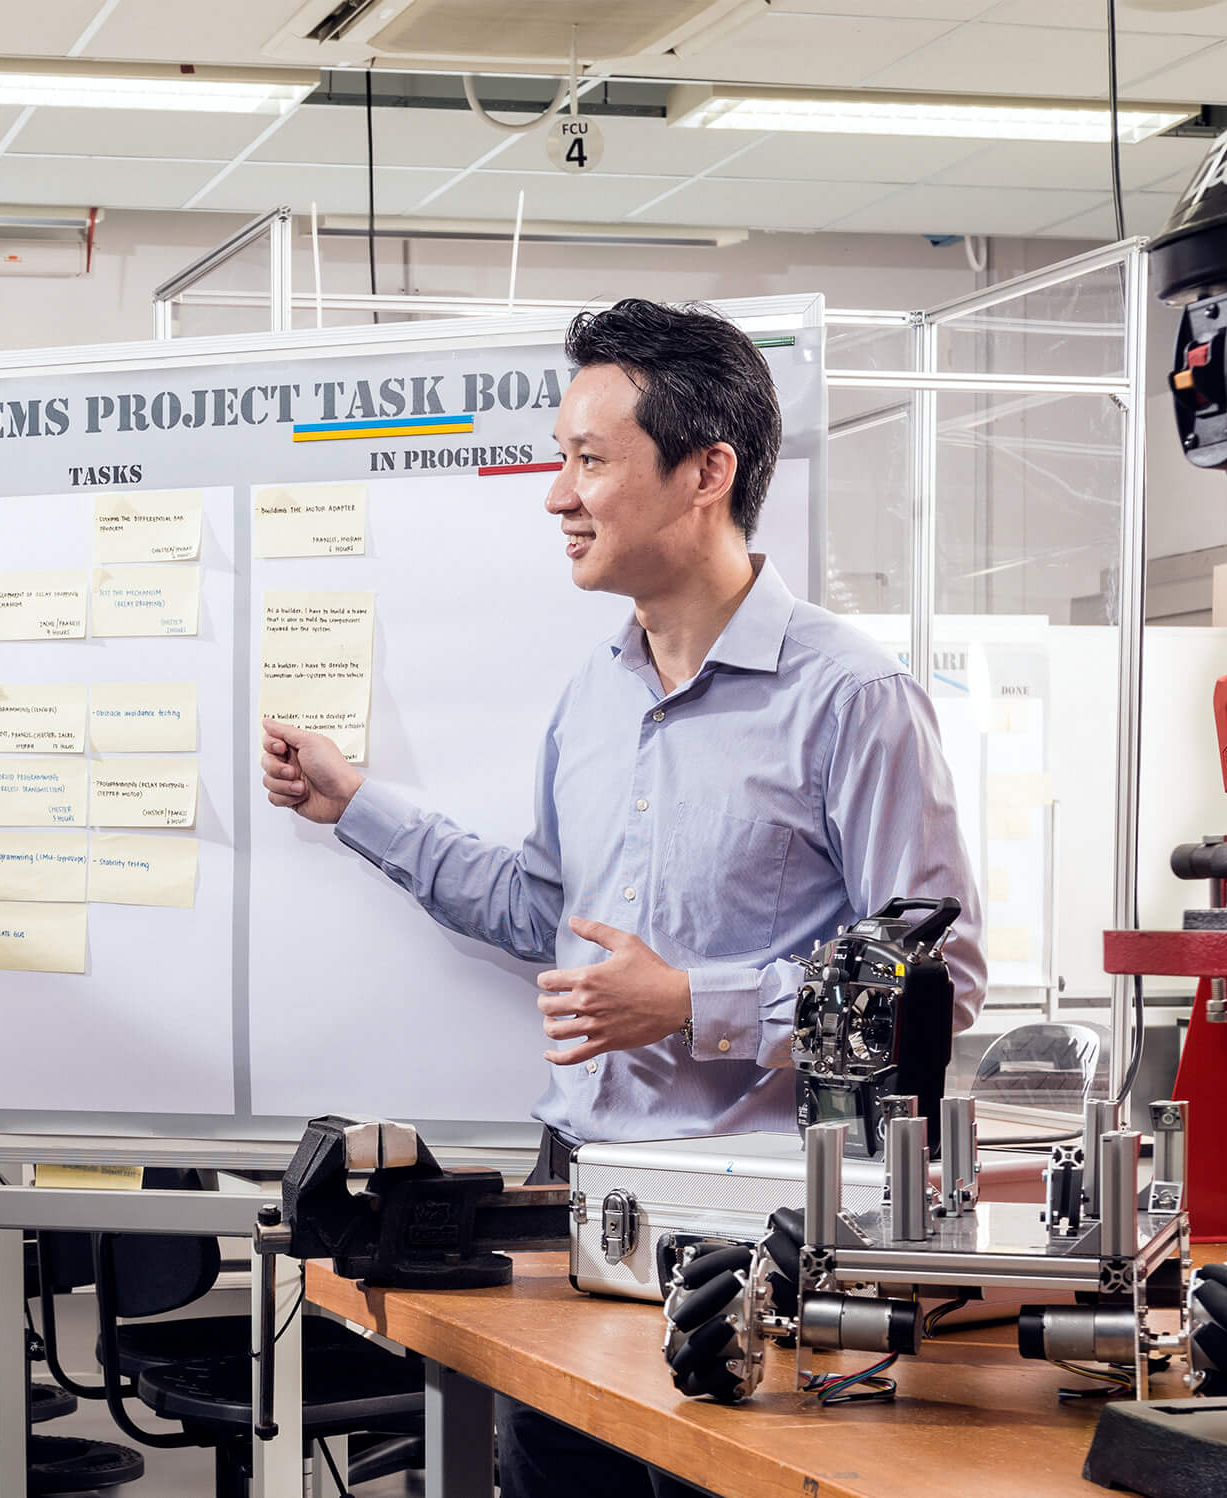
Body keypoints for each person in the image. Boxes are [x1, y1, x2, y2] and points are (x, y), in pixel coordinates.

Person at [259, 299, 983, 1498]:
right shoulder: (587, 699)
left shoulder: (851, 697)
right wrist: (356, 804)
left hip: (761, 1234)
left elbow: (936, 986)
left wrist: (693, 1003)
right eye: (562, 460)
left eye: (590, 462)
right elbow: (536, 906)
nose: (558, 495)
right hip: (580, 1201)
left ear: (708, 471)